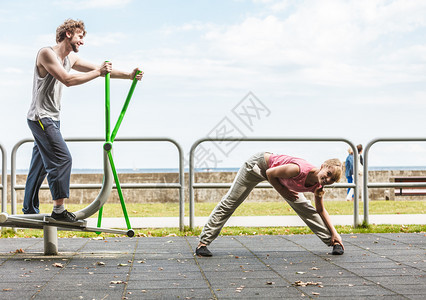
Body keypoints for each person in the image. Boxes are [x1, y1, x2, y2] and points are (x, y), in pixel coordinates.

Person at [23, 19, 144, 222]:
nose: (82, 42)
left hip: (52, 118)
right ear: (69, 33)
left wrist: (128, 75)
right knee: (62, 159)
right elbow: (68, 80)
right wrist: (99, 72)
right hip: (41, 117)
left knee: (41, 165)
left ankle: (28, 210)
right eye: (80, 36)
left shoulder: (71, 58)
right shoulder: (46, 53)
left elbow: (100, 69)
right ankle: (59, 211)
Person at [195, 152, 345, 257]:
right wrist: (282, 191)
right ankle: (203, 244)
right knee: (230, 202)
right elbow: (270, 173)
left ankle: (334, 242)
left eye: (331, 180)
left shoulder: (318, 186)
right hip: (258, 166)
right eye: (328, 174)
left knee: (307, 209)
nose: (327, 179)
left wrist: (334, 232)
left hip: (280, 177)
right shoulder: (298, 169)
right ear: (323, 166)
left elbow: (320, 210)